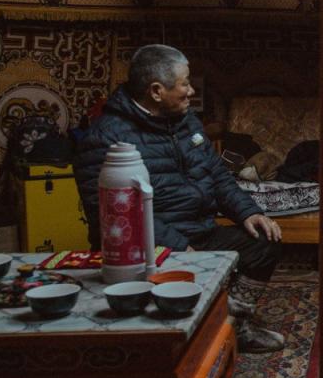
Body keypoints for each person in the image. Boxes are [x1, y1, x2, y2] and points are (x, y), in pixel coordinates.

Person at [74, 44, 285, 353]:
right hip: (147, 248)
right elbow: (110, 214)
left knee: (264, 242)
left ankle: (234, 325)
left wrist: (248, 212)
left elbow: (216, 174)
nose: (190, 91)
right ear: (156, 91)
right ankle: (199, 326)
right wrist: (178, 247)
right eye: (184, 83)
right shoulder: (106, 138)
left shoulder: (186, 120)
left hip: (199, 231)